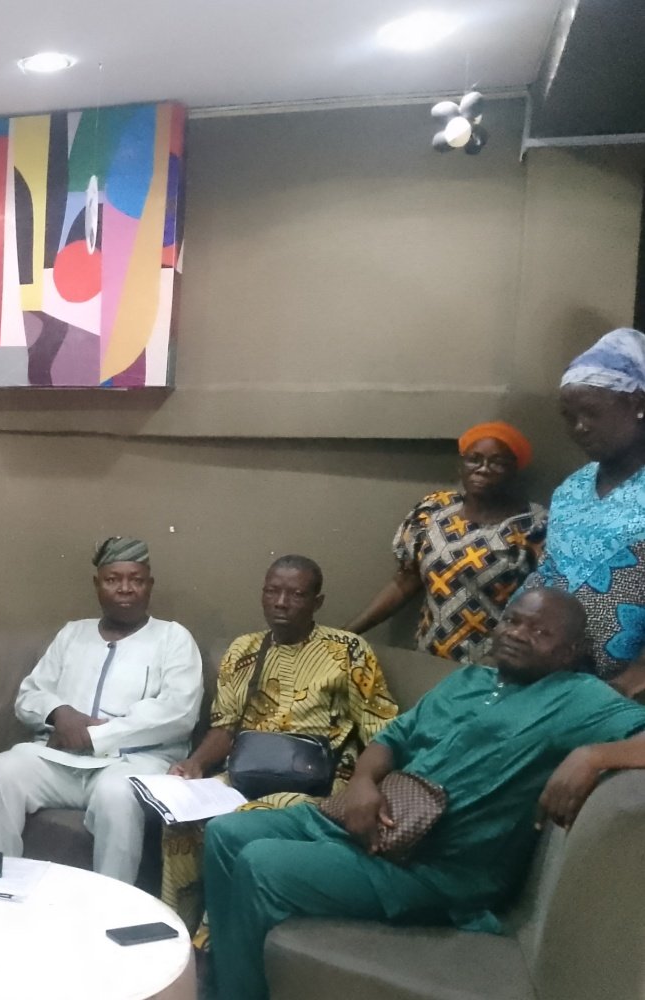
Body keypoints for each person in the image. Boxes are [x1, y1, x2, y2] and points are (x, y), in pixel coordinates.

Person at [203, 588, 645, 1000]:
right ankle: (228, 984)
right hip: (376, 824)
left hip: (433, 869)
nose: (517, 634)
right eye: (513, 621)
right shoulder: (468, 679)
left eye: (540, 631)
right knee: (226, 834)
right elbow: (391, 740)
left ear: (569, 652)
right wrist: (362, 783)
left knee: (262, 865)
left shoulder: (578, 699)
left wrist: (593, 756)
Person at [162, 555, 398, 943]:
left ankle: (210, 947)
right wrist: (195, 763)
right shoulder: (244, 649)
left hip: (318, 784)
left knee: (234, 824)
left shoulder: (348, 651)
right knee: (179, 817)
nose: (281, 603)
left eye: (296, 594)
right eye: (272, 591)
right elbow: (225, 726)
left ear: (317, 602)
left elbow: (383, 730)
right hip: (246, 772)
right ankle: (173, 935)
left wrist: (363, 782)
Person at [0, 537, 203, 884]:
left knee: (116, 794)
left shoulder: (173, 638)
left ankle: (112, 902)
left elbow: (178, 712)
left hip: (132, 763)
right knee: (0, 771)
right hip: (61, 761)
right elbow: (30, 696)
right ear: (97, 584)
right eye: (112, 579)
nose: (125, 589)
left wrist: (94, 736)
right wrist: (59, 713)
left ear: (150, 585)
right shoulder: (72, 634)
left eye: (136, 580)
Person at [345, 421, 546, 662]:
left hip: (492, 668)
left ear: (514, 471)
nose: (483, 469)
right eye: (474, 459)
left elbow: (544, 608)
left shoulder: (535, 526)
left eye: (497, 463)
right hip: (428, 658)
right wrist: (347, 633)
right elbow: (406, 580)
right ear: (460, 466)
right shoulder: (434, 510)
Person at [520, 327, 645, 697]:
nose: (579, 428)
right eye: (568, 416)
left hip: (627, 694)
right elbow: (549, 572)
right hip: (555, 683)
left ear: (638, 404)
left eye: (591, 413)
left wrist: (639, 674)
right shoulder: (572, 488)